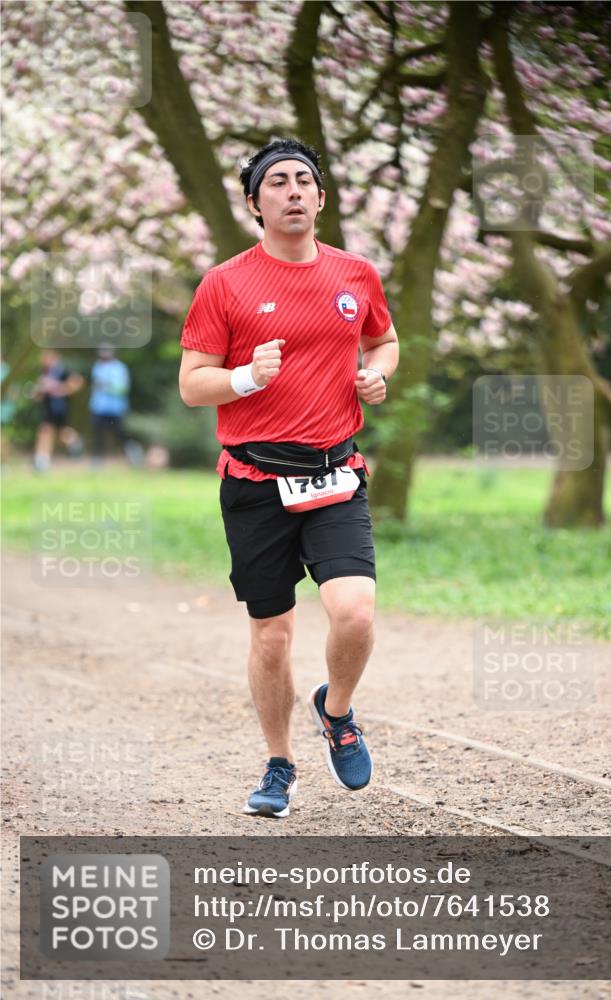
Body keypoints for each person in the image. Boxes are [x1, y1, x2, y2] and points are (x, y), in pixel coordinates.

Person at [179, 138, 399, 818]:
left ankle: (335, 712)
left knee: (355, 613)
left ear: (322, 199)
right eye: (277, 182)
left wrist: (377, 375)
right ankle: (278, 765)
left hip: (334, 471)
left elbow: (383, 339)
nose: (294, 191)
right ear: (255, 202)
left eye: (305, 181)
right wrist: (247, 377)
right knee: (272, 633)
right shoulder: (226, 283)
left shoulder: (355, 274)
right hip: (253, 479)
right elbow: (192, 385)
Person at [32, 349, 84, 472]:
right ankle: (42, 461)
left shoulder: (61, 370)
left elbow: (78, 381)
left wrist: (62, 389)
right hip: (48, 407)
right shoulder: (44, 372)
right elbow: (41, 392)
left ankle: (74, 442)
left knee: (60, 432)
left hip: (60, 407)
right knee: (47, 431)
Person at [89, 345, 131, 461]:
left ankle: (132, 456)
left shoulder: (120, 368)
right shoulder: (98, 366)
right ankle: (97, 459)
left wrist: (106, 386)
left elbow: (122, 388)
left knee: (120, 434)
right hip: (99, 407)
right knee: (98, 435)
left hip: (115, 408)